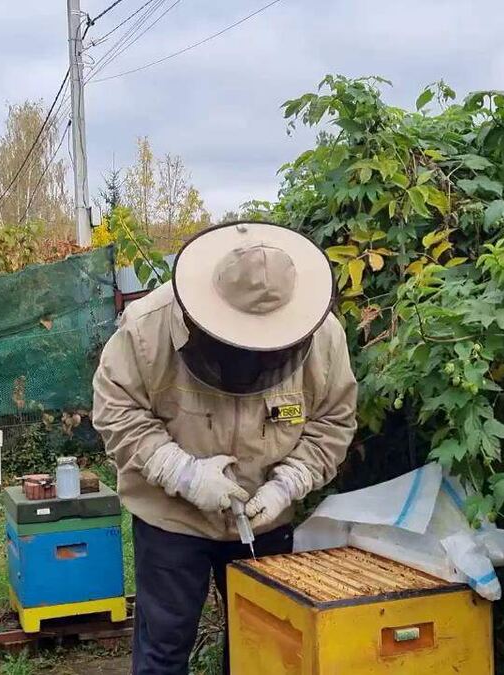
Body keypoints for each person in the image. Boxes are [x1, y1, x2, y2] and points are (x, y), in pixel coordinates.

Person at [92, 221, 358, 675]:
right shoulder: (146, 328)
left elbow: (333, 420)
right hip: (171, 520)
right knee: (164, 649)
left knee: (264, 648)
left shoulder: (324, 339)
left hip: (266, 518)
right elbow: (117, 408)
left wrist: (288, 483)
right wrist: (181, 473)